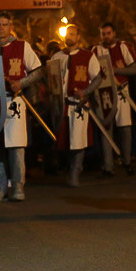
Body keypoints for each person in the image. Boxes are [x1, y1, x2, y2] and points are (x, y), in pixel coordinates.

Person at [0, 12, 44, 202]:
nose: (1, 28)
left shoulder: (22, 47)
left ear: (11, 26)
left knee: (16, 148)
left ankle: (17, 187)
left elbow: (38, 71)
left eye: (5, 24)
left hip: (14, 101)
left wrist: (21, 83)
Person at [52, 25, 103, 187]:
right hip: (62, 104)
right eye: (68, 34)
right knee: (63, 140)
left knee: (78, 139)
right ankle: (73, 167)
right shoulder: (56, 56)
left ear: (78, 37)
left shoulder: (88, 56)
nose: (69, 37)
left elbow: (98, 77)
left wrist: (86, 91)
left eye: (73, 34)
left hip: (78, 104)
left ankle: (74, 172)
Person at [92, 22, 136, 177]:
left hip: (121, 91)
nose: (106, 36)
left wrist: (114, 70)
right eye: (103, 34)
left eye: (108, 33)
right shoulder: (95, 51)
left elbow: (134, 69)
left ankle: (127, 161)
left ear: (113, 33)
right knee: (106, 129)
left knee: (125, 128)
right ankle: (108, 166)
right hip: (104, 93)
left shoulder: (123, 47)